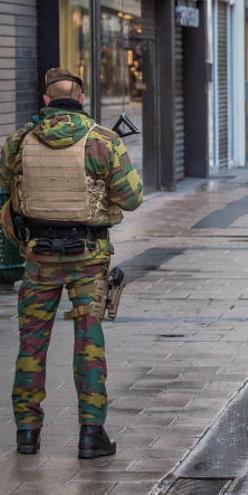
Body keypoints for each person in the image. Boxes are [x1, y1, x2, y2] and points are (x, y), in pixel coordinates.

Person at [0, 68, 144, 458]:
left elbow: (7, 185)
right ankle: (90, 435)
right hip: (87, 258)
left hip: (38, 257)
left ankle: (27, 435)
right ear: (81, 99)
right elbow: (132, 198)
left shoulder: (17, 142)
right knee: (88, 343)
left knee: (31, 345)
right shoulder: (102, 141)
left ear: (45, 101)